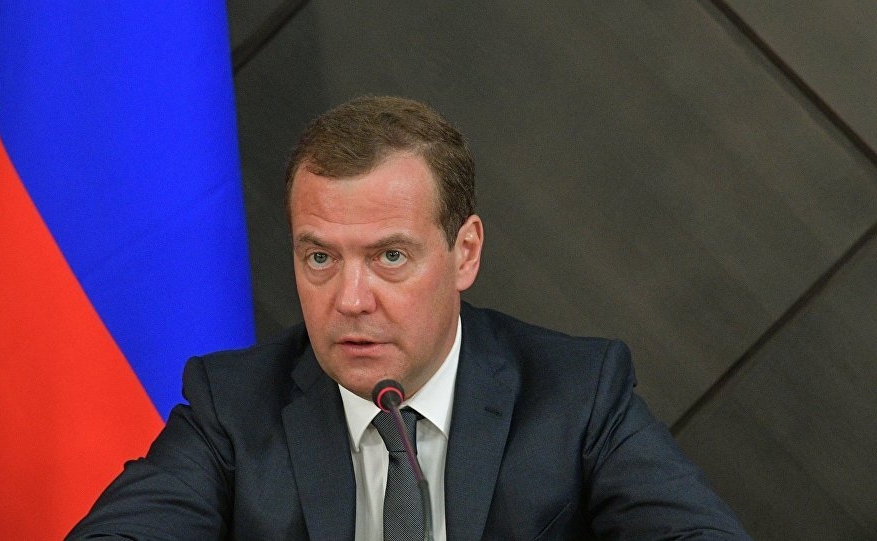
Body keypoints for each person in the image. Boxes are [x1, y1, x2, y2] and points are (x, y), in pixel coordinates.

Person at [68, 96, 750, 540]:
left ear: (465, 253)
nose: (350, 298)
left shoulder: (576, 395)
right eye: (319, 257)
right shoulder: (234, 406)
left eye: (389, 256)